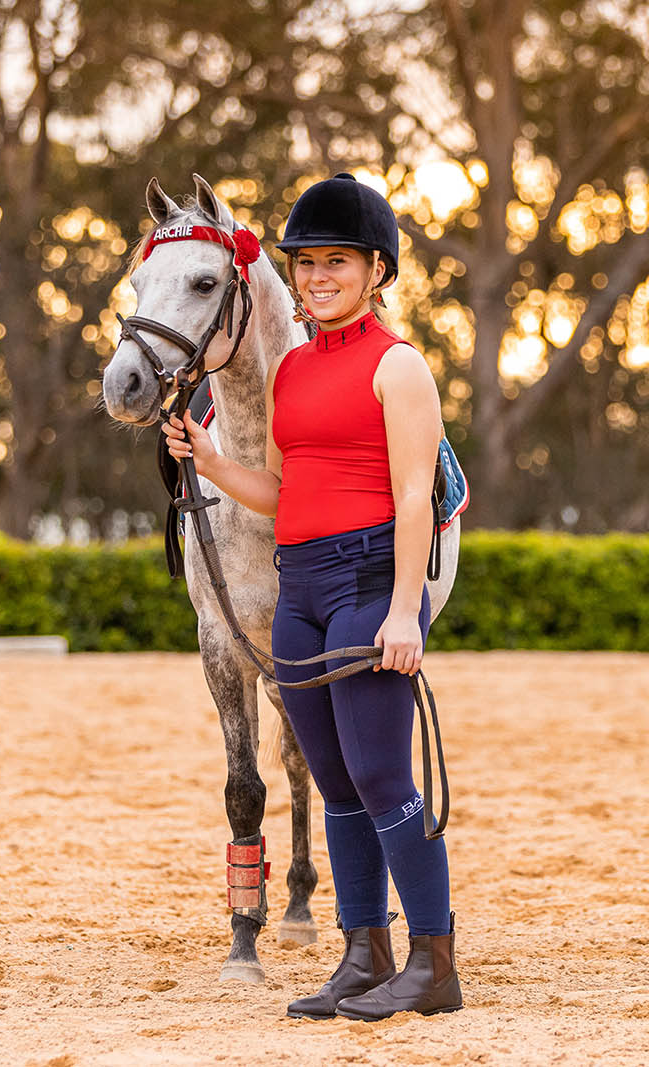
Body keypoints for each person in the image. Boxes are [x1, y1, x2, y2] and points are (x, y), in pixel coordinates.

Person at [162, 172, 462, 1021]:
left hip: (371, 578)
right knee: (331, 781)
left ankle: (433, 960)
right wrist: (212, 464)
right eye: (307, 263)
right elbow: (287, 490)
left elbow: (413, 496)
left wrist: (406, 608)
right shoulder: (292, 369)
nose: (319, 276)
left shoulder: (399, 366)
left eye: (339, 261)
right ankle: (362, 953)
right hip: (302, 582)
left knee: (379, 773)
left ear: (377, 271)